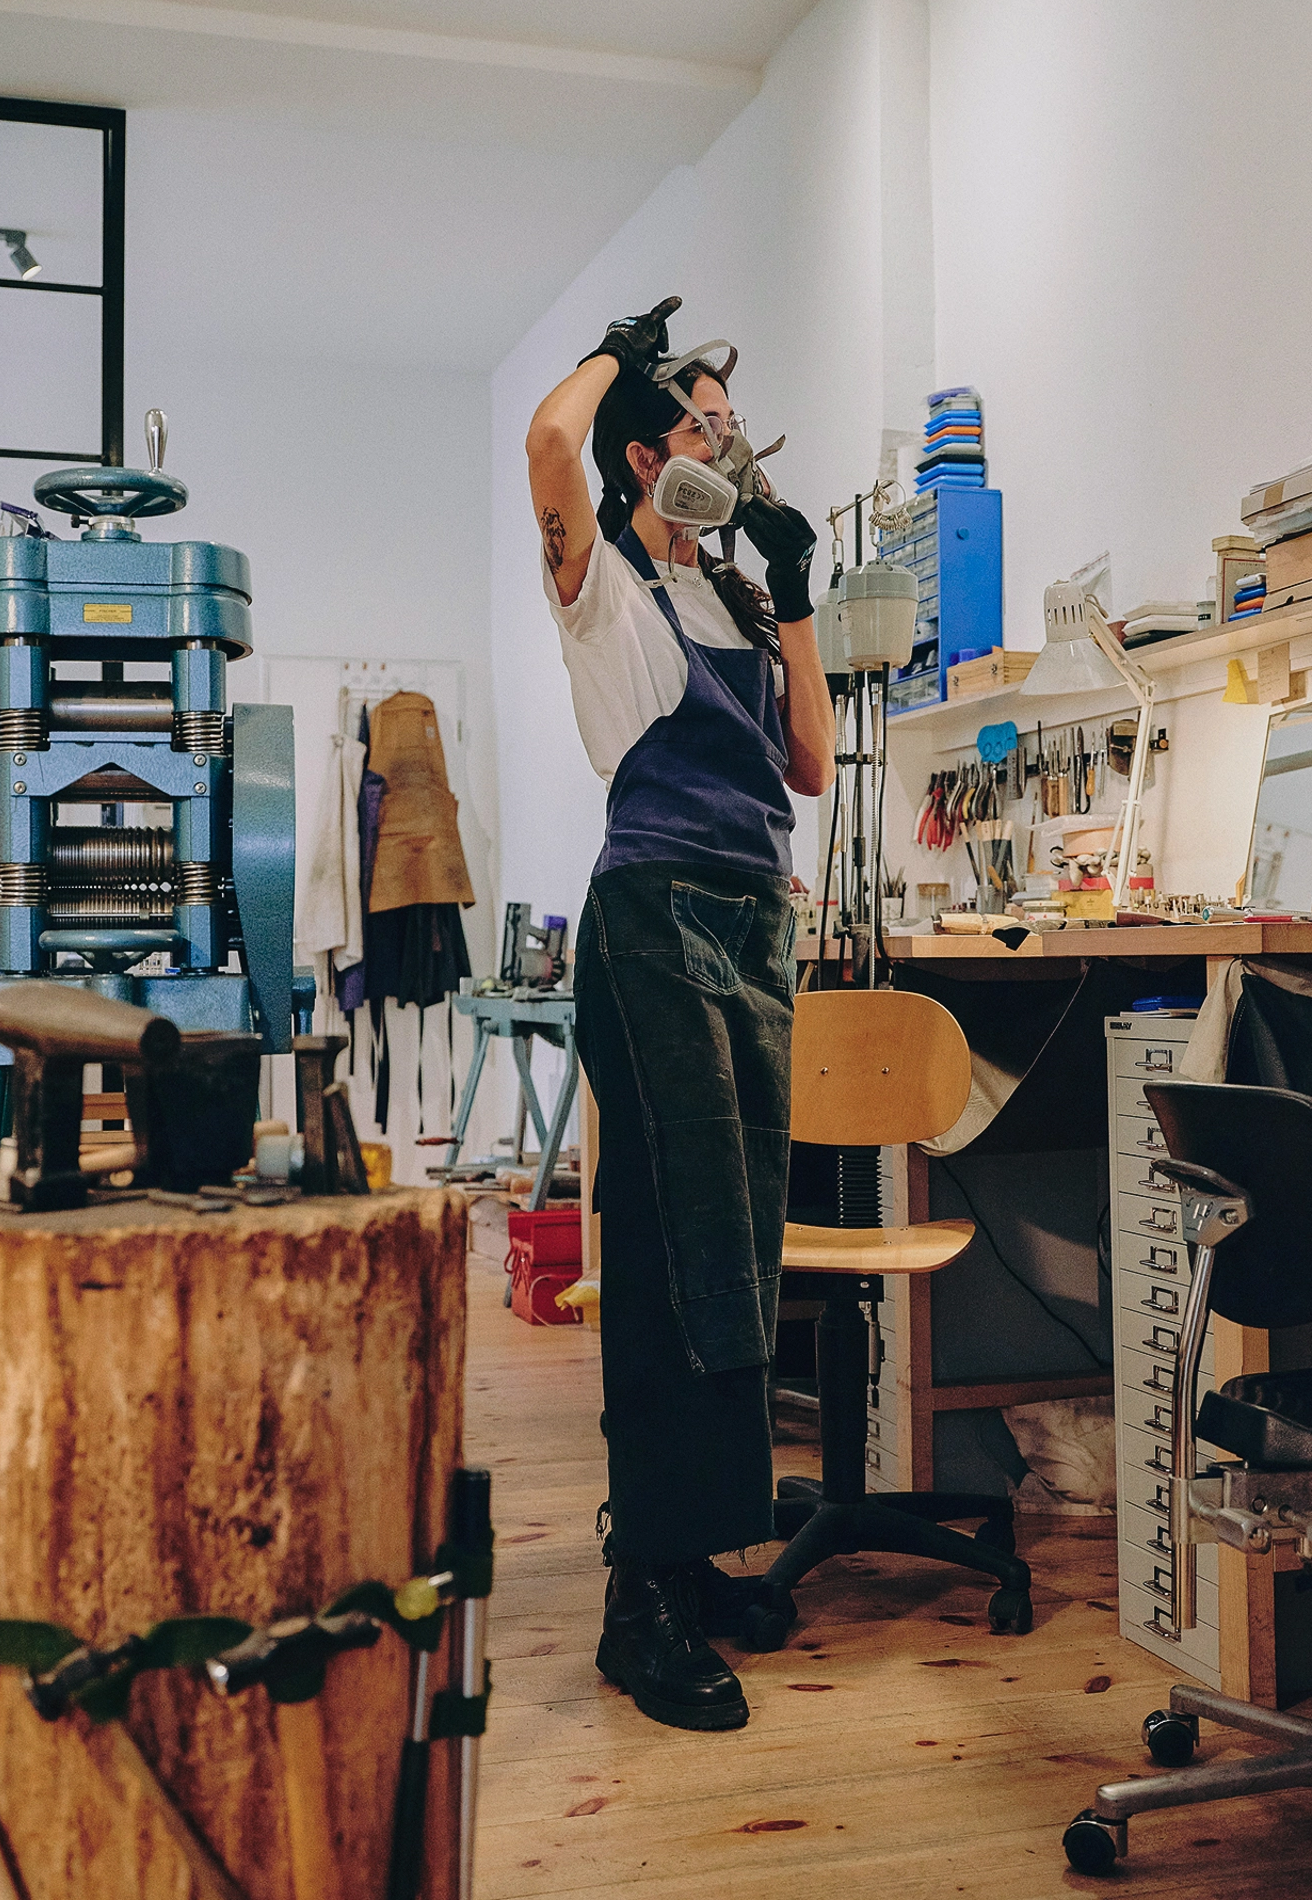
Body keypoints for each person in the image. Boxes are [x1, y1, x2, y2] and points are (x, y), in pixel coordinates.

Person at [525, 297, 835, 1732]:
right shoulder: (598, 579)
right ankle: (636, 1598)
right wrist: (611, 350)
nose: (730, 449)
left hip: (755, 919)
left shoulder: (734, 595)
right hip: (653, 924)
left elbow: (813, 769)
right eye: (705, 427)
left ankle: (695, 1548)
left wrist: (804, 599)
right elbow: (547, 437)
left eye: (735, 433)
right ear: (649, 451)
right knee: (664, 1247)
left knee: (738, 1251)